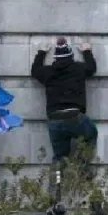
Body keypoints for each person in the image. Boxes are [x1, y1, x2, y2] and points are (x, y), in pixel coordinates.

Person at [30, 38, 98, 166]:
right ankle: (82, 169)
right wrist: (86, 51)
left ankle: (56, 183)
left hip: (54, 119)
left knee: (60, 157)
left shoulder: (48, 72)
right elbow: (92, 68)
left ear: (56, 58)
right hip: (75, 116)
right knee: (91, 134)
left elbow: (35, 71)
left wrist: (41, 52)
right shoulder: (78, 69)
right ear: (71, 56)